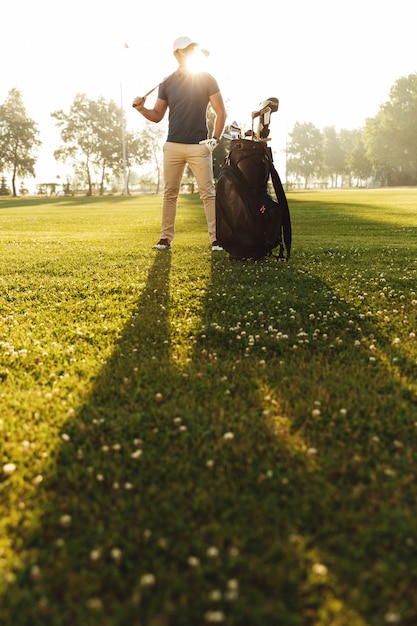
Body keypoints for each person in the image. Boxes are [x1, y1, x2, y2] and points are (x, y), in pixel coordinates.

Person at [133, 36, 226, 251]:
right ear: (177, 54)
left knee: (208, 193)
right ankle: (165, 239)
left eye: (193, 48)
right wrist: (140, 109)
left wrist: (215, 139)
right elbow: (157, 115)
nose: (192, 52)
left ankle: (216, 239)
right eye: (187, 49)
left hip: (199, 145)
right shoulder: (167, 83)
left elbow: (221, 112)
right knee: (170, 193)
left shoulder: (207, 78)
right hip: (173, 145)